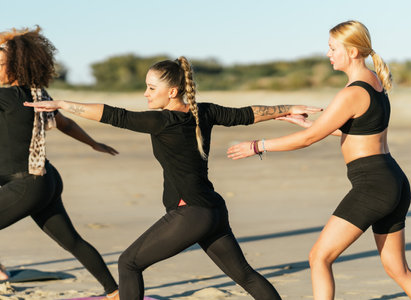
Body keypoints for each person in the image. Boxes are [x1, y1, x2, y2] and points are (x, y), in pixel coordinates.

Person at [26, 55, 322, 300]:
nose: (146, 94)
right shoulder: (203, 112)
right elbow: (247, 113)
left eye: (151, 88)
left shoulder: (162, 121)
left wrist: (64, 105)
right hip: (213, 210)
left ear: (172, 91)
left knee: (128, 263)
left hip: (190, 212)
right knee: (244, 275)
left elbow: (114, 115)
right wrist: (287, 108)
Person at [227, 20, 411, 300]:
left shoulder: (352, 92)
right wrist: (305, 123)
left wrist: (259, 145)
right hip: (393, 180)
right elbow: (352, 132)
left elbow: (308, 141)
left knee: (319, 257)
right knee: (398, 269)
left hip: (372, 186)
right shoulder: (375, 83)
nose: (328, 54)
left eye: (333, 48)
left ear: (352, 51)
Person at [0, 26, 119, 299]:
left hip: (26, 184)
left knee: (73, 241)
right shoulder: (38, 94)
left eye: (0, 64)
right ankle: (114, 292)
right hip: (46, 180)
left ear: (17, 66)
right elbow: (65, 122)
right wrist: (92, 143)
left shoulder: (7, 97)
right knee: (73, 242)